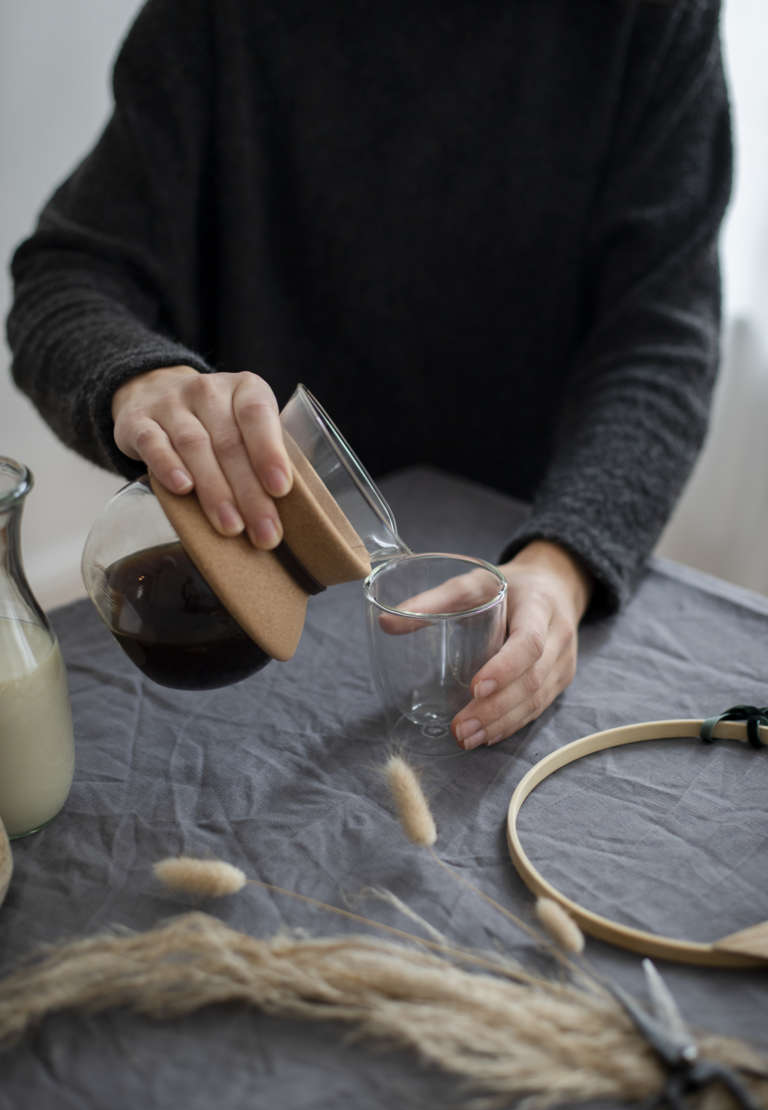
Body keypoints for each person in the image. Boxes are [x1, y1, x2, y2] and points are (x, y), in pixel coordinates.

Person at [6, 0, 732, 750]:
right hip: (248, 559)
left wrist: (563, 562)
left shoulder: (652, 19)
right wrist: (144, 380)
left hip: (525, 552)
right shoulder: (216, 22)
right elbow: (68, 273)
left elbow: (662, 338)